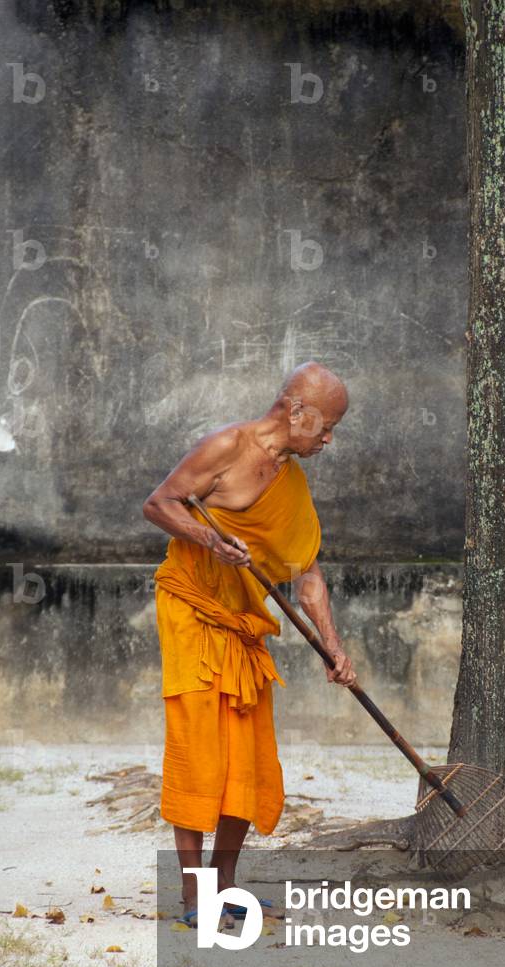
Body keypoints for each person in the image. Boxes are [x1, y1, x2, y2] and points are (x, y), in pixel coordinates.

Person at [142, 361, 357, 927]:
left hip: (241, 619)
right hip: (190, 606)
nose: (329, 440)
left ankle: (225, 885)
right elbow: (159, 503)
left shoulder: (294, 483)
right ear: (295, 410)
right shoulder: (226, 447)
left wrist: (333, 645)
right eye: (327, 426)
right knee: (197, 744)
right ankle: (194, 898)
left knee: (250, 749)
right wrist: (210, 540)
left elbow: (306, 572)